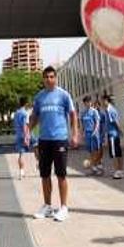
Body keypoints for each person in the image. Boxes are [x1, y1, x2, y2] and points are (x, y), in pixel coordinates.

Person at [30, 66, 79, 222]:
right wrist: (28, 132)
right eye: (46, 77)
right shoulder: (39, 97)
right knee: (44, 175)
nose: (49, 79)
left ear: (55, 78)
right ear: (43, 79)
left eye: (52, 77)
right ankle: (47, 206)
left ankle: (64, 207)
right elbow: (35, 117)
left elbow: (72, 115)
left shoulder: (64, 95)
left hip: (60, 139)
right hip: (44, 140)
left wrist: (75, 134)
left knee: (61, 174)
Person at [102, 95, 124, 179]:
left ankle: (117, 171)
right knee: (119, 153)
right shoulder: (111, 109)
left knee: (114, 154)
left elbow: (115, 122)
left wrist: (120, 130)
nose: (102, 102)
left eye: (103, 101)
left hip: (112, 135)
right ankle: (121, 171)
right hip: (115, 134)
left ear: (107, 101)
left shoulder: (109, 110)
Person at [81, 95, 102, 176]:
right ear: (84, 103)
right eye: (86, 102)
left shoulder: (94, 111)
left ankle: (96, 166)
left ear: (91, 102)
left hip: (94, 133)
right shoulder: (83, 113)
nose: (88, 103)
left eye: (89, 102)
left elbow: (97, 122)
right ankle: (94, 167)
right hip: (87, 134)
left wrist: (95, 131)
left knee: (95, 151)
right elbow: (82, 124)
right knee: (90, 151)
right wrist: (82, 133)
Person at [13, 97, 31, 180]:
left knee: (21, 154)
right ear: (26, 104)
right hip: (24, 134)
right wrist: (26, 136)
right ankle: (39, 165)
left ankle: (21, 171)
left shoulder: (16, 113)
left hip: (17, 135)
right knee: (36, 147)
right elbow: (25, 125)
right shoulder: (25, 113)